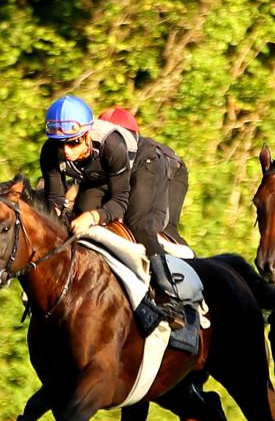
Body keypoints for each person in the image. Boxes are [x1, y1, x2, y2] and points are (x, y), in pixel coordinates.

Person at [40, 95, 185, 329]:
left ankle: (169, 297)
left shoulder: (111, 145)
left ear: (87, 134)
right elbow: (55, 201)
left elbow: (119, 201)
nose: (66, 151)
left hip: (142, 163)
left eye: (74, 142)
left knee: (137, 225)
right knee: (74, 223)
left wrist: (93, 216)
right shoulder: (50, 153)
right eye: (60, 143)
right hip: (100, 173)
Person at [99, 106, 190, 247]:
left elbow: (138, 196)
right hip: (138, 169)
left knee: (151, 227)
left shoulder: (145, 157)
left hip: (170, 172)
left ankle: (193, 265)